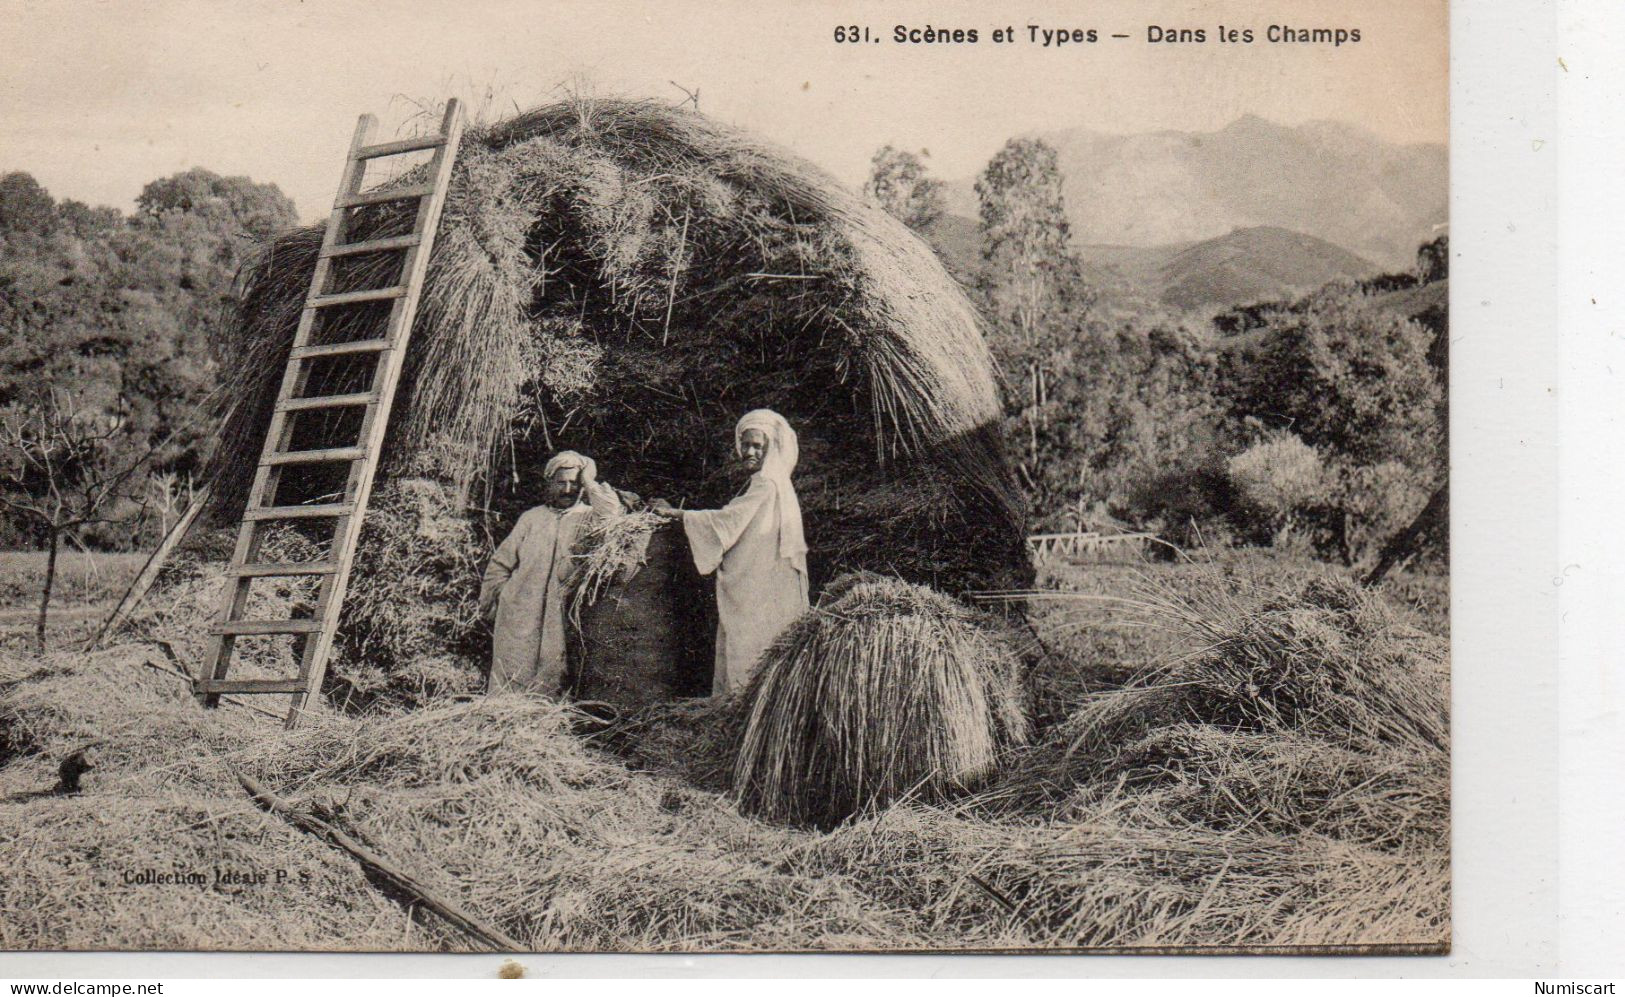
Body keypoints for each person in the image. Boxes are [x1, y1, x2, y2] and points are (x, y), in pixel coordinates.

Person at [652, 409, 810, 694]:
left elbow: (727, 522)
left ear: (771, 448)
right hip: (768, 580)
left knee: (751, 642)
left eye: (757, 446)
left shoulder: (766, 483)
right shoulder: (777, 485)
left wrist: (674, 514)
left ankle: (743, 705)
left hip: (758, 583)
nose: (749, 451)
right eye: (745, 444)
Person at [479, 451, 622, 695]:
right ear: (549, 483)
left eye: (574, 483)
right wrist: (497, 599)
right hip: (519, 612)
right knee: (512, 673)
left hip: (561, 612)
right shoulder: (532, 519)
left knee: (553, 673)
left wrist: (589, 479)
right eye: (561, 482)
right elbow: (501, 563)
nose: (568, 489)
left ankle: (542, 724)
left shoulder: (588, 517)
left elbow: (611, 511)